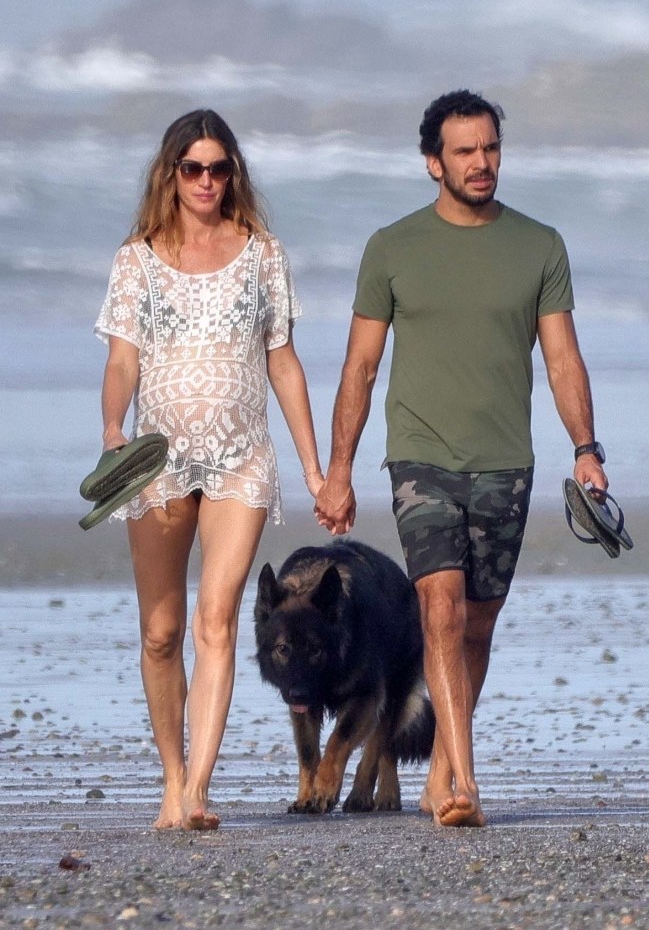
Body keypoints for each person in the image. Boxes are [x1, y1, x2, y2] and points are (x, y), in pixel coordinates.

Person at [314, 90, 608, 828]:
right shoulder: (392, 246)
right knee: (437, 608)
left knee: (476, 624)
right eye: (464, 151)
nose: (481, 163)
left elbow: (562, 357)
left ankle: (441, 767)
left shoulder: (539, 245)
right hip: (420, 456)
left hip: (506, 461)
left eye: (490, 149)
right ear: (431, 163)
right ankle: (465, 786)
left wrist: (586, 450)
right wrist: (340, 469)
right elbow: (359, 368)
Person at [94, 109, 324, 830]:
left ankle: (197, 792)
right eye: (192, 168)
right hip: (155, 461)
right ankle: (169, 776)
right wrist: (110, 429)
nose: (206, 181)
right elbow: (122, 359)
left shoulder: (262, 253)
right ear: (171, 173)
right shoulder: (136, 257)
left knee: (216, 617)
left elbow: (282, 362)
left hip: (240, 456)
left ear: (233, 174)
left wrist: (316, 470)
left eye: (218, 168)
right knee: (161, 631)